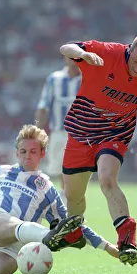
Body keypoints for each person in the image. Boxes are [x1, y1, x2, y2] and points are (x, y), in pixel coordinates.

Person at [59, 33, 137, 265]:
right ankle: (74, 232)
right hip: (82, 130)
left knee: (107, 179)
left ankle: (127, 240)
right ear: (130, 50)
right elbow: (65, 47)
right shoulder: (107, 52)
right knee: (73, 195)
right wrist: (83, 54)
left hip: (116, 131)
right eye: (135, 61)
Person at [0, 124, 118, 274]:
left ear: (42, 153)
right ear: (17, 153)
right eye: (23, 151)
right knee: (14, 223)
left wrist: (108, 247)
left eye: (33, 151)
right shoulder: (0, 172)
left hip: (11, 247)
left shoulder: (48, 190)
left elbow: (71, 223)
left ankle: (51, 237)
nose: (27, 156)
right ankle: (49, 237)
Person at [35, 57, 81, 203]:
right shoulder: (54, 79)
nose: (74, 60)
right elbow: (44, 106)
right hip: (59, 132)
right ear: (65, 58)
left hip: (81, 134)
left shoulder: (88, 79)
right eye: (71, 56)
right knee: (61, 169)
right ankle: (67, 200)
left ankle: (70, 201)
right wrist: (36, 130)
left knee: (74, 170)